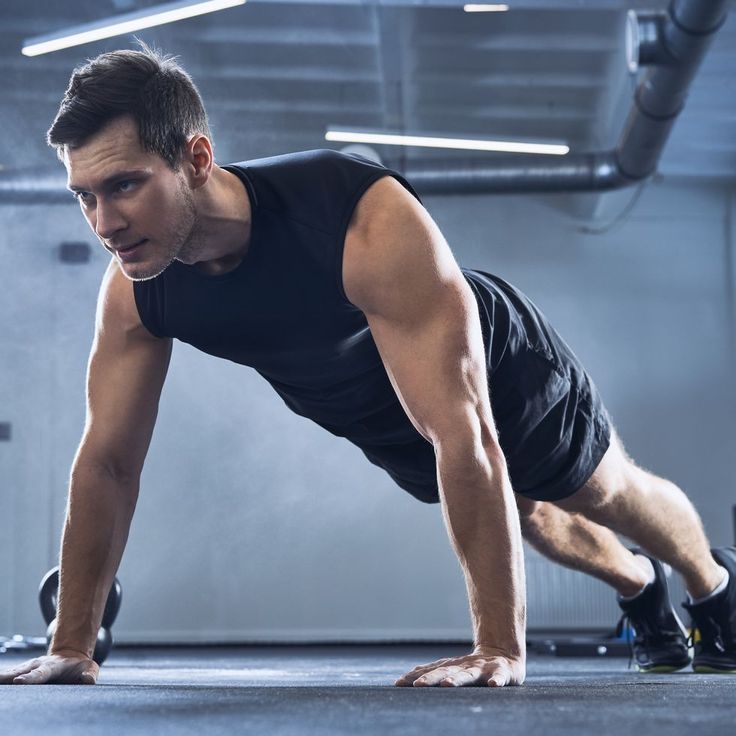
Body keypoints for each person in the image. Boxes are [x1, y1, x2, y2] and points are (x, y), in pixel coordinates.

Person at [1, 45, 734, 688]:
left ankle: (712, 586)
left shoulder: (355, 215)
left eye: (124, 185)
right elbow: (107, 465)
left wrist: (497, 649)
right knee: (529, 517)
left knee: (598, 489)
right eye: (84, 197)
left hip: (492, 365)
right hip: (378, 411)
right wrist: (71, 644)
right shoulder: (138, 290)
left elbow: (465, 432)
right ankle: (641, 585)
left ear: (195, 158)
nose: (103, 224)